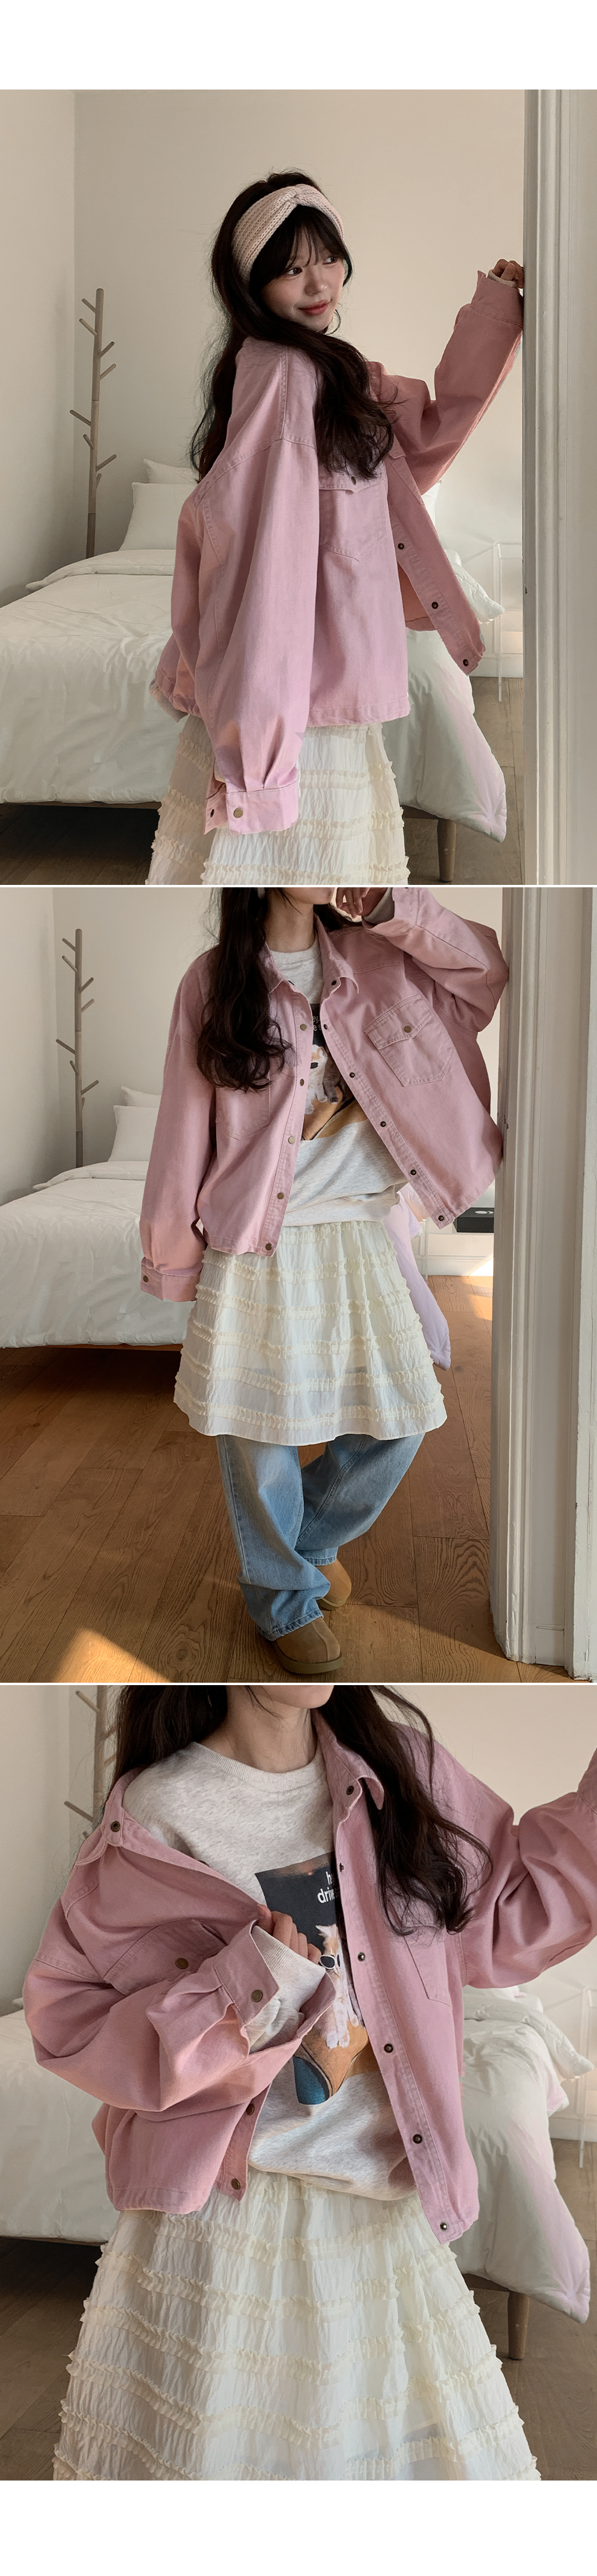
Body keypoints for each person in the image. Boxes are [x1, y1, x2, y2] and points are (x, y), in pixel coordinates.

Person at [24, 1679, 597, 2481]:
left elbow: (508, 1911)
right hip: (222, 2229)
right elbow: (74, 2027)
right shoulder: (156, 1812)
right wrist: (247, 1982)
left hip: (386, 2216)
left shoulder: (401, 1771)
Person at [139, 883, 508, 1672]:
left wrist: (386, 904)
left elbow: (485, 972)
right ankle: (281, 1600)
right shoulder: (213, 980)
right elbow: (181, 1123)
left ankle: (297, 1551)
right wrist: (173, 1256)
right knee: (261, 1434)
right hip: (257, 1242)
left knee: (402, 1420)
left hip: (360, 1229)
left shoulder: (385, 955)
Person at [147, 167, 524, 885]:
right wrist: (259, 767)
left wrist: (495, 309)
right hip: (300, 707)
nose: (318, 282)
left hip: (311, 689)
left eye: (327, 258)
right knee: (296, 876)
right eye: (291, 269)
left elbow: (429, 431)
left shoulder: (329, 371)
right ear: (251, 286)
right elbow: (272, 576)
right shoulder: (287, 377)